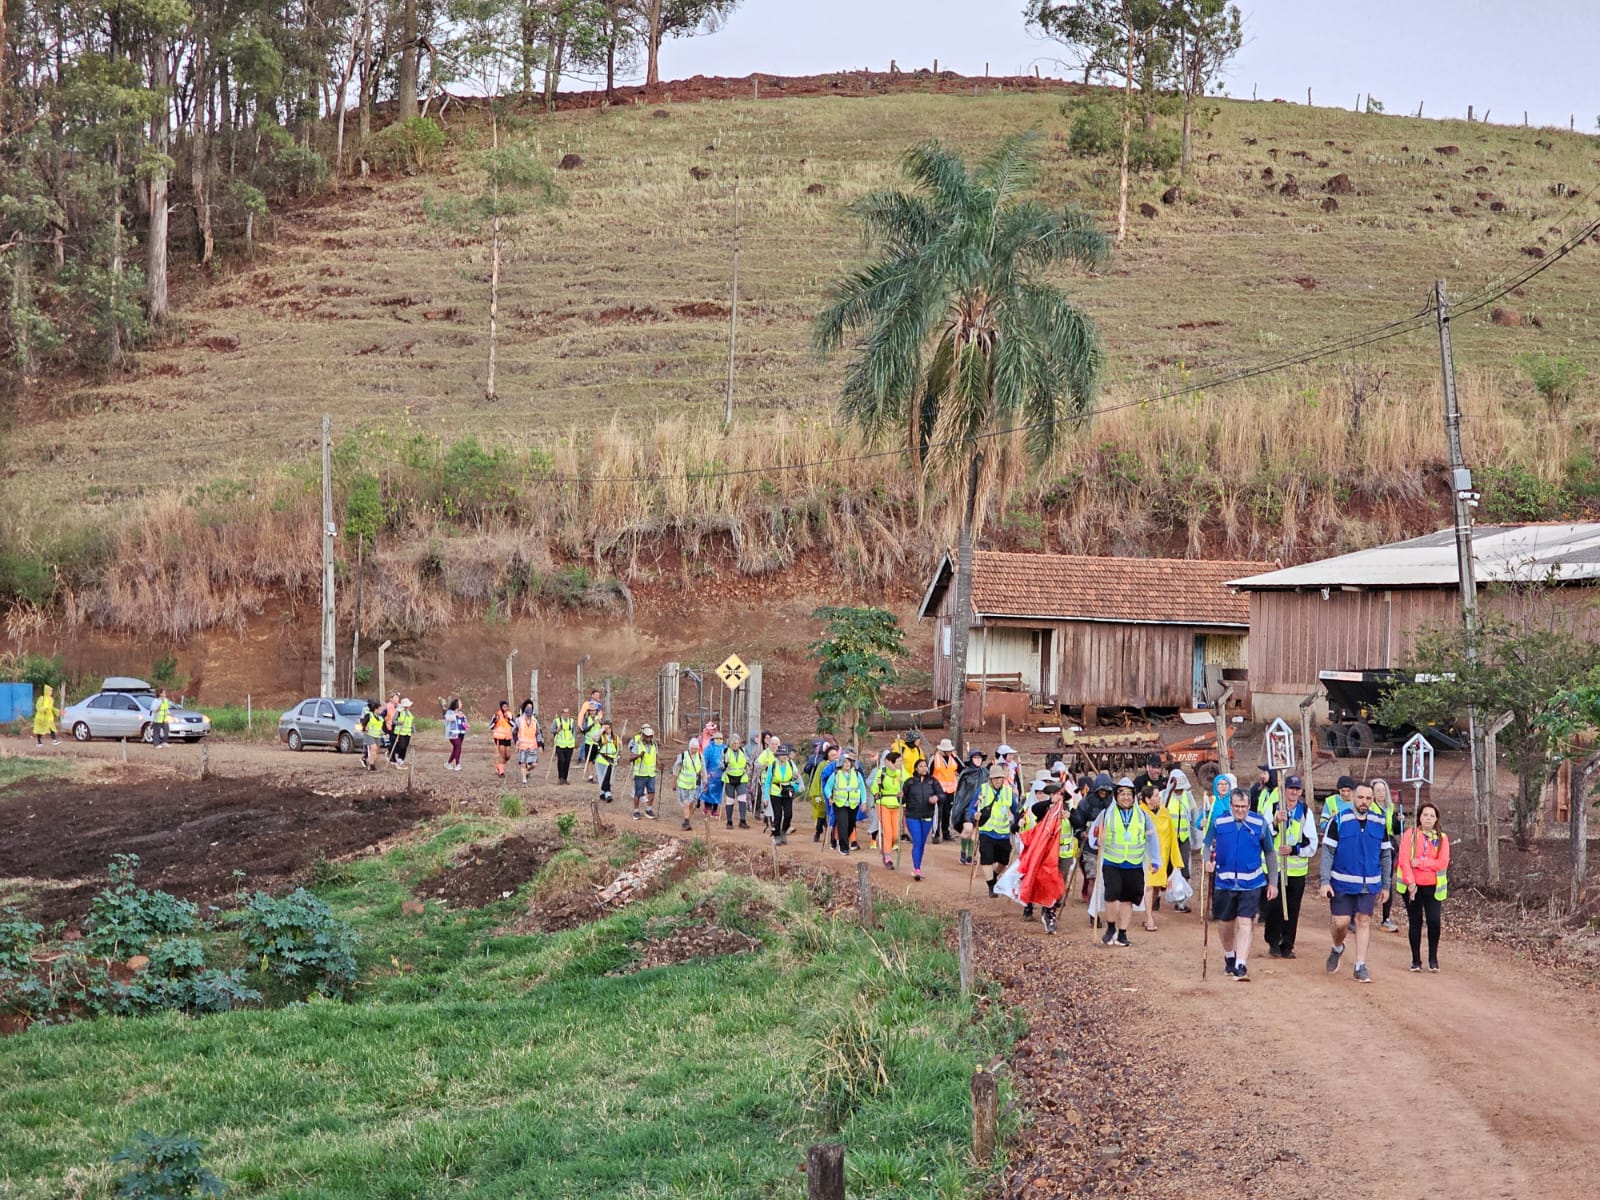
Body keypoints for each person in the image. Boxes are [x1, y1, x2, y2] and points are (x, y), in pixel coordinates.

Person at [1204, 783, 1280, 981]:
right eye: (1236, 807)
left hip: (1251, 882)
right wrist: (1207, 862)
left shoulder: (1259, 823)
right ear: (1230, 805)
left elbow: (1270, 853)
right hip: (1224, 882)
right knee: (1225, 923)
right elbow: (1207, 844)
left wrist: (1273, 882)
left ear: (1249, 806)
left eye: (1244, 807)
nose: (1240, 811)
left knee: (1246, 922)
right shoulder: (1219, 822)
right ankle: (1230, 954)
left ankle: (1241, 964)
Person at [1320, 780, 1393, 984]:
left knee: (1363, 920)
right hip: (1341, 883)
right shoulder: (1339, 820)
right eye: (1360, 797)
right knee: (1341, 923)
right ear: (1353, 797)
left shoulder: (1379, 822)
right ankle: (1337, 947)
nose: (1364, 802)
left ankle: (1360, 965)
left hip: (1369, 883)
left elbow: (1386, 855)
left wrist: (1386, 885)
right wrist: (1325, 881)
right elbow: (1328, 852)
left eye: (1368, 798)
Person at [1089, 777, 1159, 946]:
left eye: (1129, 794)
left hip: (1134, 863)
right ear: (1116, 796)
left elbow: (1152, 838)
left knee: (1128, 899)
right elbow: (1094, 834)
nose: (1126, 797)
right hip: (1112, 862)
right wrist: (1097, 840)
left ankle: (1122, 933)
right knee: (1111, 895)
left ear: (1134, 796)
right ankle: (1111, 927)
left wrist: (1156, 860)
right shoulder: (1106, 814)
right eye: (1122, 794)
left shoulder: (1143, 816)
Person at [1263, 774, 1318, 959]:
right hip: (1275, 869)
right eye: (1291, 789)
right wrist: (1275, 823)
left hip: (1296, 870)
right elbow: (1263, 835)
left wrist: (1294, 850)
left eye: (1297, 789)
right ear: (1284, 790)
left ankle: (1287, 944)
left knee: (1293, 909)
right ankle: (1273, 941)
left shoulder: (1305, 812)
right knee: (1274, 907)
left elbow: (1312, 843)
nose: (1294, 792)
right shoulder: (1272, 808)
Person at [1397, 800, 1450, 972]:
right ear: (1419, 817)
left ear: (1436, 819)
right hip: (1413, 887)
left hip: (1433, 887)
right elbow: (1404, 860)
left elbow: (1442, 862)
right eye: (1425, 815)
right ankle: (1415, 960)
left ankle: (1433, 958)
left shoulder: (1442, 839)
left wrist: (1421, 862)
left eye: (1431, 816)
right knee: (1415, 922)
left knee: (1434, 921)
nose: (1428, 818)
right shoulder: (1410, 835)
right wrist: (1410, 881)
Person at [1140, 783, 1184, 931]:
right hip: (1146, 857)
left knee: (1156, 887)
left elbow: (1172, 836)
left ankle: (1148, 914)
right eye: (1156, 796)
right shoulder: (1141, 813)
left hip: (1162, 857)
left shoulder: (1164, 812)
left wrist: (1175, 860)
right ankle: (1149, 918)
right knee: (1149, 885)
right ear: (1148, 799)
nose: (1159, 798)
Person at [972, 763, 1021, 896]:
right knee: (986, 858)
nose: (999, 781)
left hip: (1003, 832)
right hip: (986, 830)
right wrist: (975, 815)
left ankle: (992, 877)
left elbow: (1016, 810)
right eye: (996, 778)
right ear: (991, 779)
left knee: (1004, 861)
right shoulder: (982, 790)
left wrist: (1019, 821)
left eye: (1001, 778)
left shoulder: (1008, 792)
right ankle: (991, 886)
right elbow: (972, 808)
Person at [1161, 769, 1199, 910]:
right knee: (1163, 869)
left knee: (1184, 869)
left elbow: (1194, 818)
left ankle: (1182, 901)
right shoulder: (1164, 795)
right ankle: (1156, 897)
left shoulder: (1188, 797)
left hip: (1183, 839)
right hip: (1167, 840)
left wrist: (1197, 840)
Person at [1370, 778, 1405, 931]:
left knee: (1387, 881)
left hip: (1389, 846)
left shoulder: (1390, 808)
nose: (1381, 793)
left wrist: (1400, 821)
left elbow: (1395, 830)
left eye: (1383, 790)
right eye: (1378, 790)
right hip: (1373, 846)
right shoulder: (1369, 807)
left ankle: (1386, 918)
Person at [900, 757, 940, 881]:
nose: (924, 768)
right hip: (912, 816)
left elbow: (942, 794)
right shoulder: (909, 782)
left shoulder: (933, 782)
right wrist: (900, 796)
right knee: (917, 841)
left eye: (925, 766)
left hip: (927, 816)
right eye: (921, 766)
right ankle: (916, 868)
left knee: (922, 842)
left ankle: (918, 866)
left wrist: (936, 798)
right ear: (916, 769)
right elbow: (903, 799)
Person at [825, 748, 867, 855]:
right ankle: (843, 847)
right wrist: (830, 797)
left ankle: (843, 839)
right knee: (842, 824)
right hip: (840, 804)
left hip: (853, 804)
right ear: (841, 763)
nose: (847, 764)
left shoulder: (856, 774)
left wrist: (864, 802)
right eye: (845, 762)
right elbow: (827, 788)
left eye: (849, 762)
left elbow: (862, 788)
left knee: (850, 825)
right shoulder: (835, 775)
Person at [954, 751, 990, 866]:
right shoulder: (966, 773)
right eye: (975, 758)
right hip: (967, 806)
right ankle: (963, 851)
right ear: (971, 760)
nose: (978, 760)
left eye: (980, 758)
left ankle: (970, 856)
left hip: (980, 805)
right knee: (968, 829)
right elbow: (961, 792)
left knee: (975, 833)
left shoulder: (985, 773)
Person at [763, 742, 803, 844]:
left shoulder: (791, 764)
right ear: (778, 755)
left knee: (789, 814)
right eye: (782, 754)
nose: (784, 757)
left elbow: (795, 778)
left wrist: (795, 783)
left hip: (787, 792)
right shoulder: (773, 765)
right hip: (775, 794)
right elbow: (767, 782)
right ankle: (776, 835)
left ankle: (783, 831)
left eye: (786, 754)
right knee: (778, 815)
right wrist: (766, 797)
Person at [872, 749, 906, 868]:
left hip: (896, 805)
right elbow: (875, 787)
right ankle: (887, 857)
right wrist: (876, 793)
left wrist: (903, 793)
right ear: (889, 762)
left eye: (901, 761)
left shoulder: (901, 774)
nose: (900, 764)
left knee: (896, 834)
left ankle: (888, 848)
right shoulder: (881, 773)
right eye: (898, 761)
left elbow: (907, 785)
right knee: (888, 832)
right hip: (883, 804)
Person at [929, 738, 962, 844]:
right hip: (937, 790)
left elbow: (962, 768)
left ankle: (946, 833)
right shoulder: (934, 758)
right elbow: (929, 772)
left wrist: (956, 757)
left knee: (947, 813)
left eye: (950, 750)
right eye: (947, 750)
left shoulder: (953, 758)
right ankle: (935, 834)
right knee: (937, 813)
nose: (949, 752)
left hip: (950, 790)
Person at [809, 742, 840, 842]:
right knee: (821, 816)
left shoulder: (839, 765)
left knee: (834, 816)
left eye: (835, 755)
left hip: (836, 794)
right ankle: (818, 832)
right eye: (832, 755)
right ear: (828, 756)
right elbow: (817, 779)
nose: (835, 757)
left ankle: (832, 837)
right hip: (823, 794)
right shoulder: (822, 765)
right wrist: (816, 794)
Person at [673, 736, 704, 830]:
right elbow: (676, 769)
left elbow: (703, 770)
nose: (694, 750)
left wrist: (705, 781)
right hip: (683, 784)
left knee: (692, 804)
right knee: (686, 803)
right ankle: (686, 821)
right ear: (689, 747)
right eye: (692, 748)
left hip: (694, 785)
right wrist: (674, 782)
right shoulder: (683, 756)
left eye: (696, 749)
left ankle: (687, 820)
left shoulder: (700, 757)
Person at [628, 724, 659, 819]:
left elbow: (656, 757)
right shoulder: (637, 744)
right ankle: (636, 810)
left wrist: (659, 765)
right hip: (640, 773)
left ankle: (648, 809)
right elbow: (630, 758)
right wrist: (638, 755)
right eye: (647, 736)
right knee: (638, 793)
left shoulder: (654, 745)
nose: (649, 738)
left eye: (650, 736)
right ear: (643, 736)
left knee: (652, 792)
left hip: (651, 773)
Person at [722, 733, 753, 829]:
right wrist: (724, 765)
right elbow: (720, 764)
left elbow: (748, 761)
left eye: (737, 743)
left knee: (742, 798)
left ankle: (742, 820)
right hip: (729, 778)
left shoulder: (743, 751)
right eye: (734, 743)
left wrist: (748, 766)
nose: (736, 745)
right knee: (730, 800)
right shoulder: (726, 752)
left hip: (741, 778)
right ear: (730, 743)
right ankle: (729, 821)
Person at [578, 689, 605, 776]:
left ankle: (598, 773)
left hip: (597, 741)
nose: (597, 696)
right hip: (588, 740)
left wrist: (600, 722)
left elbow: (602, 722)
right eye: (596, 695)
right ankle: (590, 774)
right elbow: (581, 715)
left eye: (598, 695)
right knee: (588, 757)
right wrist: (580, 725)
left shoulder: (599, 706)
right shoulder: (587, 705)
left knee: (597, 758)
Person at [702, 729, 727, 820]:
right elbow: (704, 761)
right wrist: (705, 772)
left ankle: (715, 809)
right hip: (710, 774)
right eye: (717, 739)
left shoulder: (725, 749)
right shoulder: (708, 749)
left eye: (720, 739)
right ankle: (707, 806)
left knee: (718, 792)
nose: (719, 740)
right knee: (708, 790)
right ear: (713, 739)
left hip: (720, 774)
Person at [514, 702, 541, 784]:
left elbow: (538, 733)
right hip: (522, 745)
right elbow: (514, 732)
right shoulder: (519, 720)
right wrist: (516, 741)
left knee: (534, 764)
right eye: (527, 707)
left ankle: (527, 771)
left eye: (531, 707)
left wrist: (540, 744)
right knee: (523, 763)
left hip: (532, 746)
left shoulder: (535, 721)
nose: (529, 709)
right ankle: (524, 780)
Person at [593, 720, 619, 802]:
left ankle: (604, 792)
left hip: (611, 760)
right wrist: (602, 729)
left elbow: (619, 748)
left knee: (608, 777)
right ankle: (607, 792)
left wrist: (617, 756)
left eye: (609, 728)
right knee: (603, 777)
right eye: (606, 728)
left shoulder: (615, 738)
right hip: (602, 759)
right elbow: (594, 737)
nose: (607, 730)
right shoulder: (601, 737)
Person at [551, 707, 578, 784]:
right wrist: (557, 730)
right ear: (562, 713)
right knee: (561, 760)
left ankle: (565, 778)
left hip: (569, 745)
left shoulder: (571, 721)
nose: (566, 714)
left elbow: (574, 730)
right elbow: (552, 730)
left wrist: (573, 738)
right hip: (560, 744)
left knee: (567, 761)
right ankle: (560, 777)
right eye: (565, 713)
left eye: (568, 713)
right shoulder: (557, 721)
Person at [489, 701, 515, 778]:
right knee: (502, 755)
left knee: (508, 756)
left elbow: (514, 724)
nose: (505, 708)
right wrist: (495, 721)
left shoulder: (509, 714)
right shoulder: (496, 714)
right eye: (504, 707)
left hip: (507, 737)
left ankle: (499, 766)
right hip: (499, 737)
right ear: (501, 707)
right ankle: (501, 771)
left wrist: (508, 719)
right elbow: (490, 726)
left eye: (506, 706)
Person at [443, 698, 466, 771]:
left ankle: (448, 763)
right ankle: (457, 764)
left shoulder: (461, 712)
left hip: (460, 734)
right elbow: (448, 718)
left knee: (456, 749)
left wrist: (465, 725)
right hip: (452, 734)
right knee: (458, 747)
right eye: (460, 703)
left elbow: (463, 721)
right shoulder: (450, 712)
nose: (461, 704)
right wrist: (456, 715)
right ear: (456, 704)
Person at [361, 700, 384, 771]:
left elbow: (381, 727)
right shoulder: (369, 715)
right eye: (380, 709)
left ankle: (372, 764)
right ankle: (371, 764)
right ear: (376, 709)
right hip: (369, 734)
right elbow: (363, 723)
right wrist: (364, 728)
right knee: (373, 748)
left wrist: (385, 733)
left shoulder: (380, 717)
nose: (381, 710)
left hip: (377, 735)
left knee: (376, 751)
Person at [391, 698, 415, 768]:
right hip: (400, 732)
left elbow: (411, 722)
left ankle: (401, 759)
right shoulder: (399, 712)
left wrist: (413, 730)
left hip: (408, 732)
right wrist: (399, 722)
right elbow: (393, 721)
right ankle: (396, 756)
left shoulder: (409, 713)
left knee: (405, 747)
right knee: (402, 746)